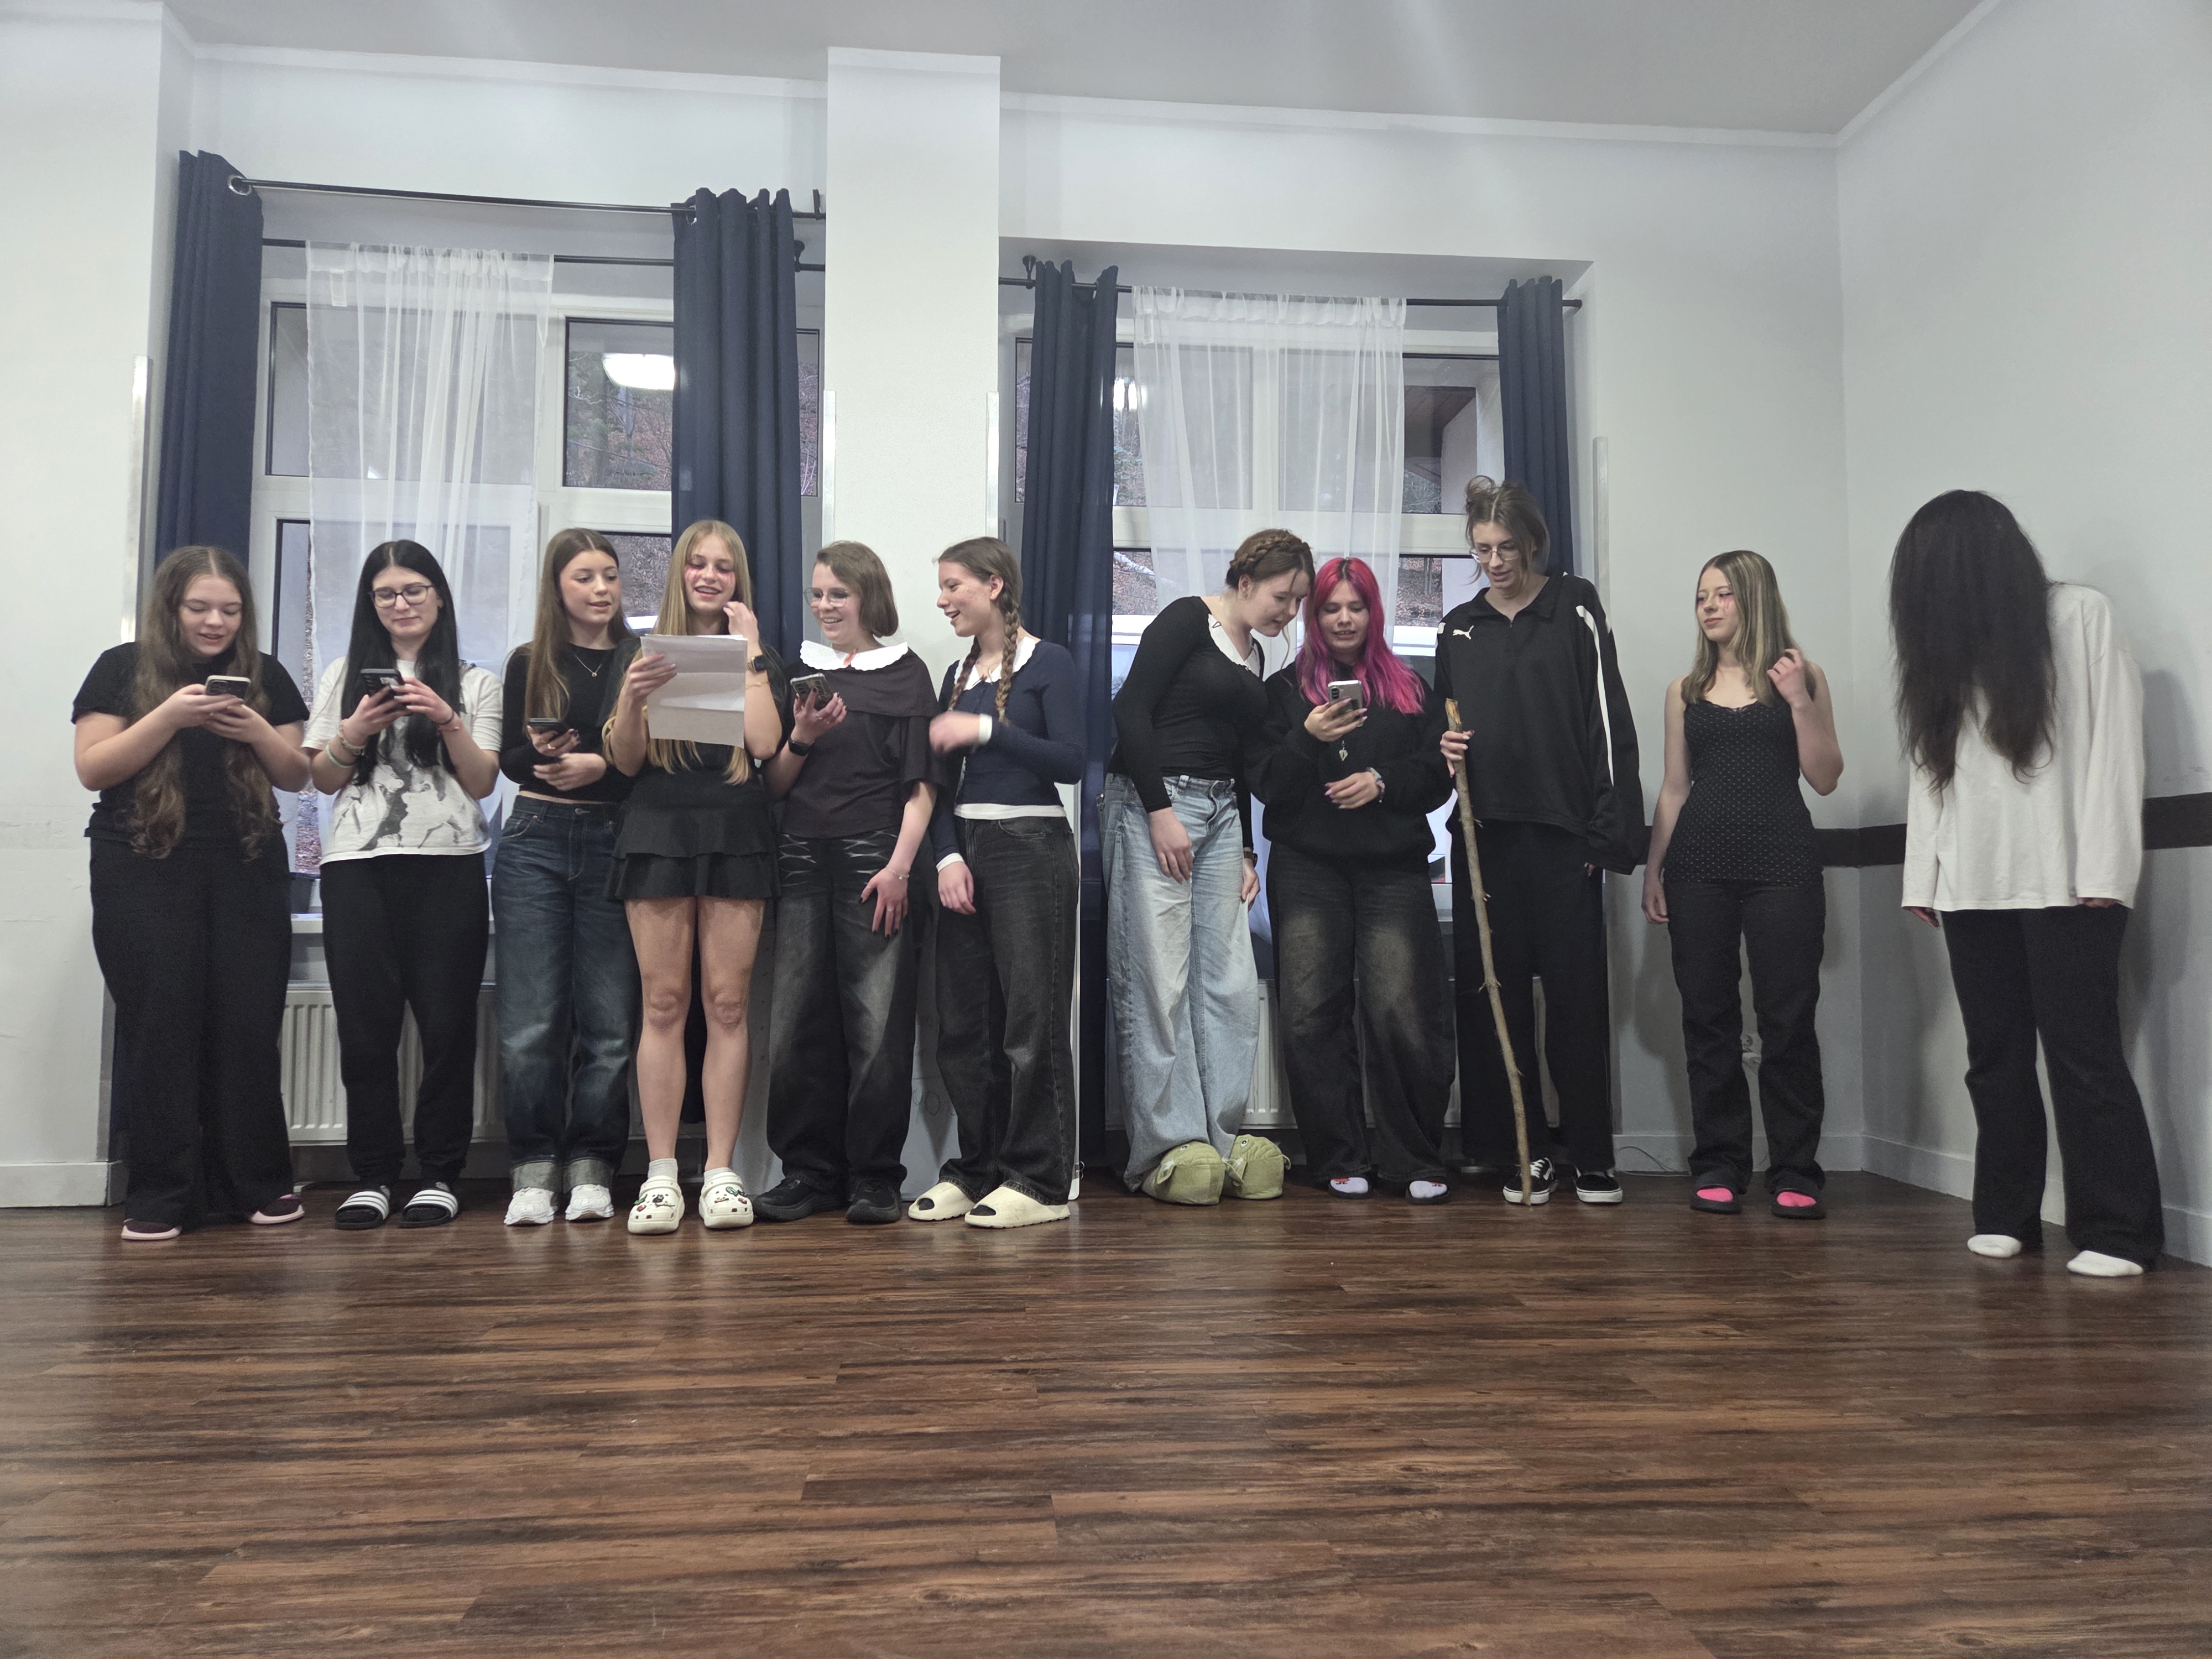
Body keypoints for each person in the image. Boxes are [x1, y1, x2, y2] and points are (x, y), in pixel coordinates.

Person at [1893, 491, 2161, 1277]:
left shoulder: (2081, 617)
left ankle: (2118, 1231)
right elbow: (1930, 768)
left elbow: (2117, 751)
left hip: (2071, 881)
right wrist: (1923, 875)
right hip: (1971, 884)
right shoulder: (1942, 653)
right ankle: (2007, 1214)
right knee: (1994, 1058)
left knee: (2084, 1056)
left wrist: (2107, 869)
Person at [72, 547, 312, 1241]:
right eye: (199, 608)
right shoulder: (121, 669)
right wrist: (169, 718)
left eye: (230, 610)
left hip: (246, 861)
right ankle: (160, 1192)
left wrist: (255, 726)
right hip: (141, 863)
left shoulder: (266, 676)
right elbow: (93, 768)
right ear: (170, 608)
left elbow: (296, 775)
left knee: (247, 1025)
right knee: (161, 1024)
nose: (215, 622)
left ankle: (258, 1183)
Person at [1436, 478, 1642, 1206]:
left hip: (1564, 839)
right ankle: (1519, 1153)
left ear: (1532, 544)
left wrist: (1607, 833)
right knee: (1496, 1004)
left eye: (1506, 548)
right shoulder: (1458, 628)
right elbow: (1438, 733)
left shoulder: (1574, 605)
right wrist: (1442, 749)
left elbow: (1607, 720)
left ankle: (1591, 1155)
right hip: (1484, 842)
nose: (1494, 562)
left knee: (1576, 1002)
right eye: (1481, 550)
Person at [1104, 529, 1313, 1206]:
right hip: (1156, 804)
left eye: (1298, 601)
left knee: (1227, 979)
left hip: (1222, 814)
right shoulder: (1185, 620)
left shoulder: (1256, 655)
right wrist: (1159, 809)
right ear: (1246, 581)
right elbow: (1130, 710)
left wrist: (1246, 847)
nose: (1290, 612)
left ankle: (1219, 1140)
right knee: (1158, 978)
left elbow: (1242, 758)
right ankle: (1165, 1148)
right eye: (1282, 596)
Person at [305, 542, 503, 1230]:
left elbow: (483, 782)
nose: (402, 603)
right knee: (366, 1032)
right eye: (386, 593)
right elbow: (322, 778)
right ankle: (373, 1176)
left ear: (439, 596)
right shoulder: (341, 677)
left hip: (448, 865)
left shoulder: (477, 682)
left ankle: (441, 1173)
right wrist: (356, 730)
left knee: (448, 1028)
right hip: (356, 867)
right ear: (371, 604)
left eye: (415, 589)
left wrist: (445, 717)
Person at [1642, 551, 1842, 1219]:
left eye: (1722, 593)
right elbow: (1674, 788)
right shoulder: (1684, 689)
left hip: (1783, 867)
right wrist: (1654, 869)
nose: (1708, 605)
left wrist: (1797, 701)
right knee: (1708, 1019)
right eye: (1701, 595)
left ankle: (1795, 1170)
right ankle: (1719, 1163)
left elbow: (1825, 777)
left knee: (1788, 1020)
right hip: (1696, 869)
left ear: (1753, 598)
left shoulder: (1803, 676)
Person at [1250, 556, 1455, 1203]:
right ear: (1313, 616)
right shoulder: (1283, 694)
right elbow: (1269, 786)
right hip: (1306, 870)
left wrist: (1382, 782)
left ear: (1374, 612)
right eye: (1331, 608)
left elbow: (1437, 774)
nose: (1343, 619)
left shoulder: (1410, 689)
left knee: (1402, 1010)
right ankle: (1338, 1156)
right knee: (1311, 1014)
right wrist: (1307, 738)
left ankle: (1412, 1158)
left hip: (1393, 869)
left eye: (1355, 607)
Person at [605, 519, 789, 1236]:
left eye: (724, 567)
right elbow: (625, 761)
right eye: (698, 564)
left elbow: (766, 744)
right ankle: (660, 1175)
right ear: (679, 572)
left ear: (738, 580)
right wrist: (632, 697)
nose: (710, 576)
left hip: (736, 834)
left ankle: (719, 1171)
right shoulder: (641, 652)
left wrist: (749, 652)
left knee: (729, 1006)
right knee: (662, 1005)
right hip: (657, 834)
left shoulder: (757, 657)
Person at [756, 541, 938, 1226]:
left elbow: (922, 787)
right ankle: (809, 1174)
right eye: (817, 594)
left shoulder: (908, 674)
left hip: (875, 861)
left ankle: (874, 1177)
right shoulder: (796, 672)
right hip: (801, 857)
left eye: (838, 594)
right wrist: (801, 735)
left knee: (877, 1024)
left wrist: (899, 868)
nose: (824, 606)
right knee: (797, 1023)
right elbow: (775, 784)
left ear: (868, 598)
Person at [917, 536, 1084, 1229]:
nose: (942, 600)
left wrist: (986, 729)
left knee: (1029, 1024)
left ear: (993, 585)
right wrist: (946, 858)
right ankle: (978, 1168)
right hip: (968, 851)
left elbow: (1072, 761)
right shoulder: (955, 674)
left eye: (952, 585)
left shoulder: (1051, 662)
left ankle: (1040, 1180)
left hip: (1030, 852)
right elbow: (936, 783)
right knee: (964, 1027)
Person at [493, 529, 638, 1227]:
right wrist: (541, 752)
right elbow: (507, 761)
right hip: (535, 838)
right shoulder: (531, 660)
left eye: (610, 574)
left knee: (610, 1024)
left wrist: (600, 767)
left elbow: (656, 762)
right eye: (585, 577)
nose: (601, 589)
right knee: (531, 1023)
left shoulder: (641, 659)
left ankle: (593, 1167)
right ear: (558, 586)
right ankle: (532, 1169)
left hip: (615, 838)